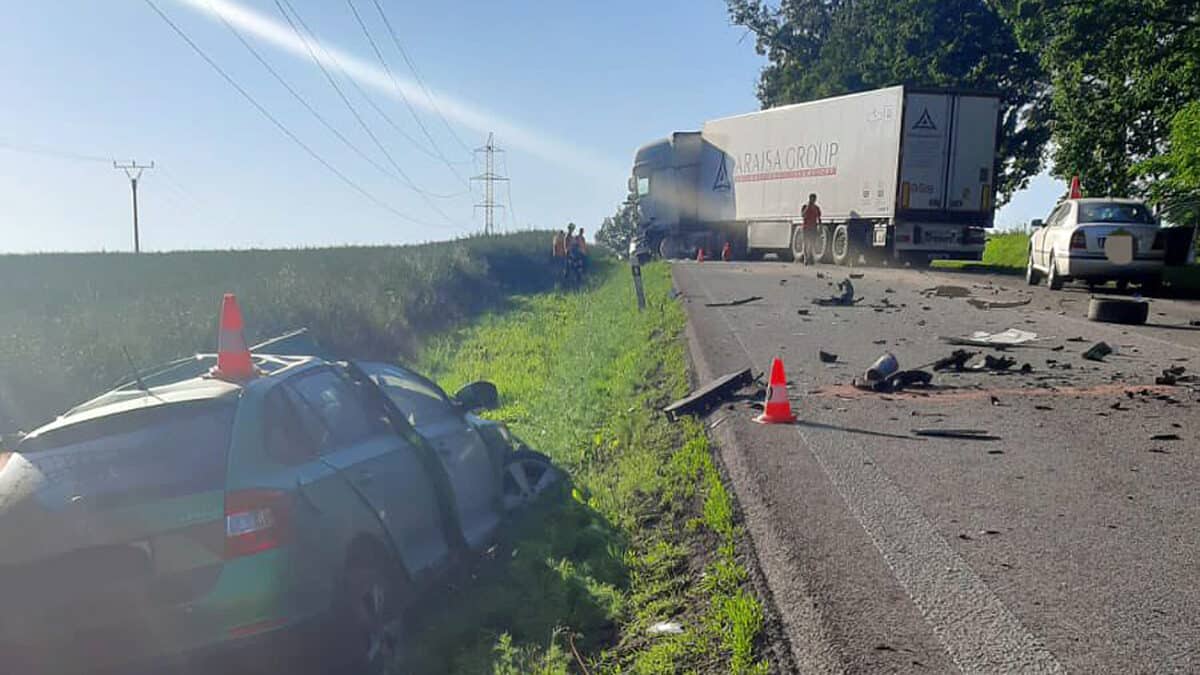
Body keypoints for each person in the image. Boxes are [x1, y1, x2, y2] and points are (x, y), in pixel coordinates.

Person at [800, 193, 822, 265]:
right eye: (811, 199)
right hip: (806, 227)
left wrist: (820, 226)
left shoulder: (816, 208)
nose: (813, 200)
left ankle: (810, 257)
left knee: (812, 243)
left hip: (813, 227)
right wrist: (808, 207)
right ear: (809, 199)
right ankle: (805, 258)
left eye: (814, 199)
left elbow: (819, 217)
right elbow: (803, 215)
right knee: (806, 243)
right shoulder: (805, 206)